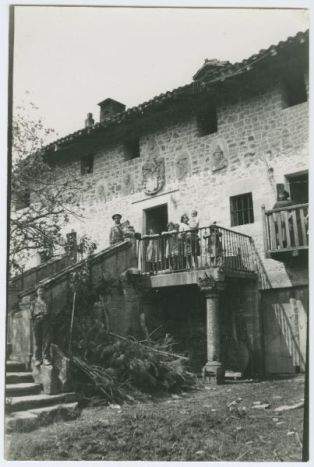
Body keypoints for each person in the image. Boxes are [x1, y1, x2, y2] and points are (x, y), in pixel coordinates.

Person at [30, 286, 51, 366]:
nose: (41, 293)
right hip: (37, 321)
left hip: (45, 321)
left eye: (43, 291)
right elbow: (31, 314)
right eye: (39, 291)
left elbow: (50, 312)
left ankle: (46, 358)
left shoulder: (47, 302)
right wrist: (36, 317)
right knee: (37, 340)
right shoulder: (34, 302)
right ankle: (38, 359)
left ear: (45, 292)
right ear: (37, 292)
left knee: (46, 340)